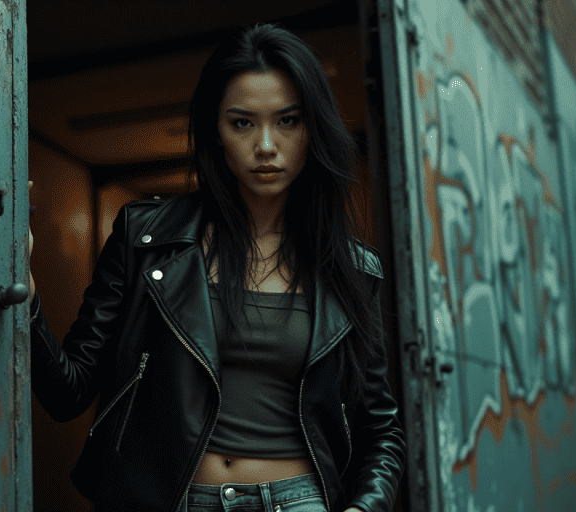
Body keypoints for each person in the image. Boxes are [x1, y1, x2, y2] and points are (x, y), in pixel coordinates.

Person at [26, 23, 404, 512]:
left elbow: (381, 429)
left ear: (313, 129)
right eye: (242, 123)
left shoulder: (352, 269)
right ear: (216, 132)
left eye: (287, 121)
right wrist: (27, 295)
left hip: (298, 502)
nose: (266, 145)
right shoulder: (146, 238)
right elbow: (68, 391)